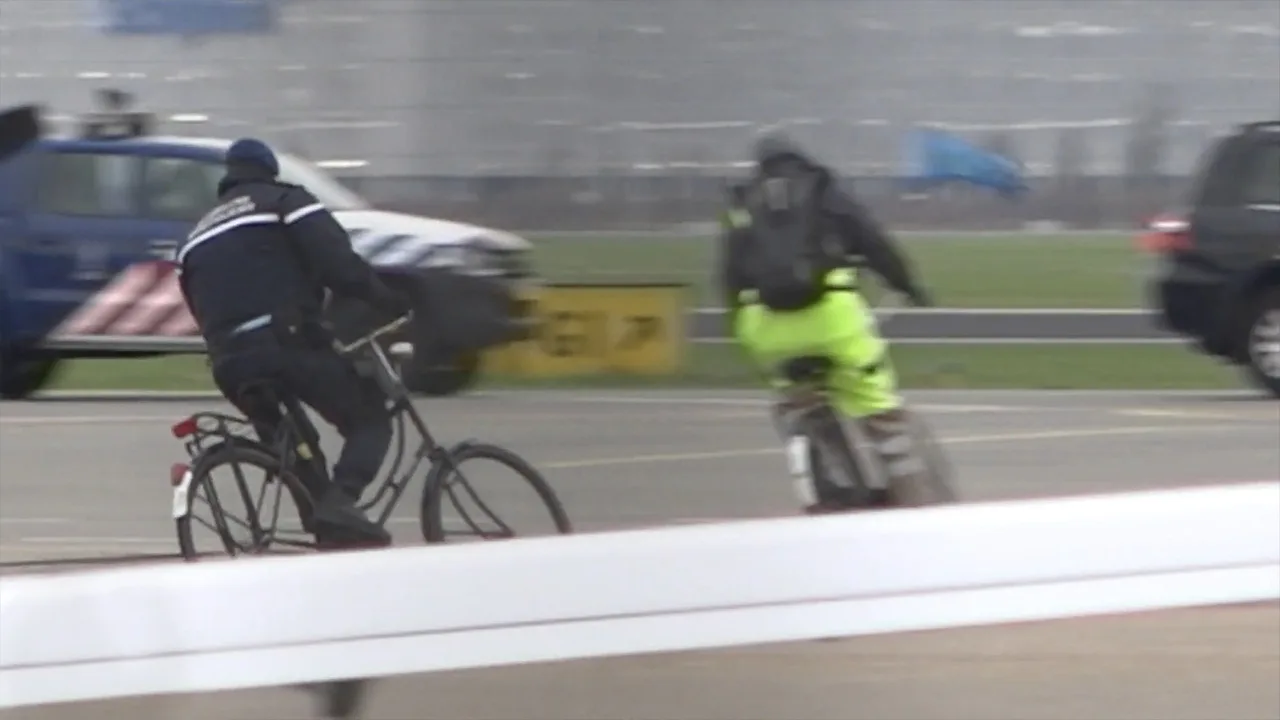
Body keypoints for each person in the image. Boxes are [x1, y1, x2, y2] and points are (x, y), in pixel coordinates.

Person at [175, 138, 410, 546]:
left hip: (229, 361)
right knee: (370, 418)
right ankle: (343, 501)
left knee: (294, 447)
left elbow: (197, 307)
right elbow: (340, 266)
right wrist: (391, 302)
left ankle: (329, 528)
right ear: (270, 171)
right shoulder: (286, 202)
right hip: (284, 344)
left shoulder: (194, 236)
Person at [718, 133, 934, 514]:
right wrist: (908, 285)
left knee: (796, 402)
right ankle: (916, 506)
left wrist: (742, 325)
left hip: (767, 331)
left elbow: (728, 277)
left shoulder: (743, 205)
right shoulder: (822, 191)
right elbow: (874, 243)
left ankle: (819, 469)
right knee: (880, 411)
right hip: (832, 323)